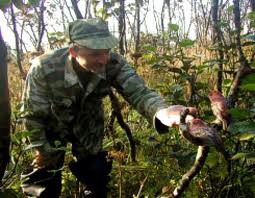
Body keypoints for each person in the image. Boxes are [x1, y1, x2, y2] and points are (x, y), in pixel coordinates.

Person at [20, 18, 196, 198]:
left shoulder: (113, 63)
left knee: (96, 174)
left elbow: (140, 93)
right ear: (74, 51)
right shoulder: (44, 67)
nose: (103, 60)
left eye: (106, 51)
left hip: (88, 126)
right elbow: (32, 115)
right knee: (43, 182)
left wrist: (163, 112)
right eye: (95, 54)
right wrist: (41, 149)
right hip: (51, 127)